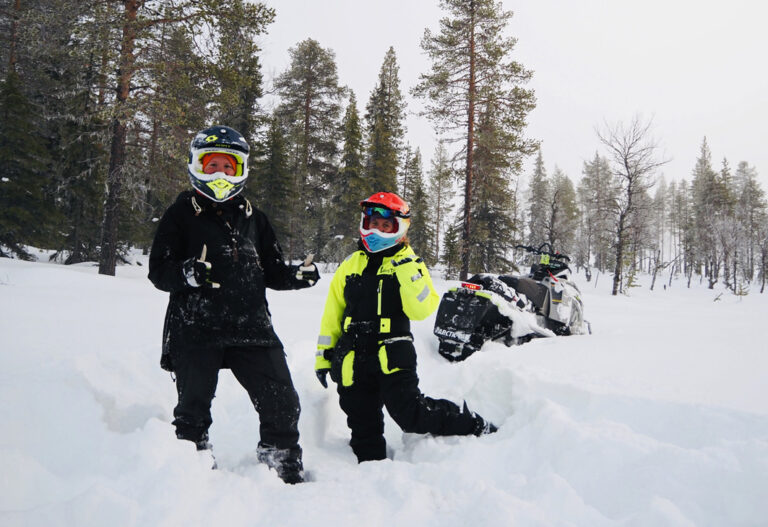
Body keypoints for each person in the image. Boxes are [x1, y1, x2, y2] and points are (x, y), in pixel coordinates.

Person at [148, 125, 319, 484]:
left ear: (240, 169)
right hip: (196, 327)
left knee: (282, 402)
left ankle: (280, 460)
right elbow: (159, 271)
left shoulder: (255, 218)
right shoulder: (180, 213)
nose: (220, 174)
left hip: (251, 327)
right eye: (212, 166)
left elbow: (271, 270)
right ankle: (189, 471)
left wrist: (296, 277)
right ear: (197, 166)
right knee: (192, 410)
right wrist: (188, 274)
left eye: (228, 167)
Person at [314, 192, 497, 463]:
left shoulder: (410, 263)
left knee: (411, 414)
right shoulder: (350, 265)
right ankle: (371, 476)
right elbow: (333, 313)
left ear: (398, 229)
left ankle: (468, 422)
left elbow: (422, 309)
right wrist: (324, 355)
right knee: (362, 427)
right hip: (353, 355)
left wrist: (406, 271)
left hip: (392, 352)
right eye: (372, 222)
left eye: (385, 225)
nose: (377, 230)